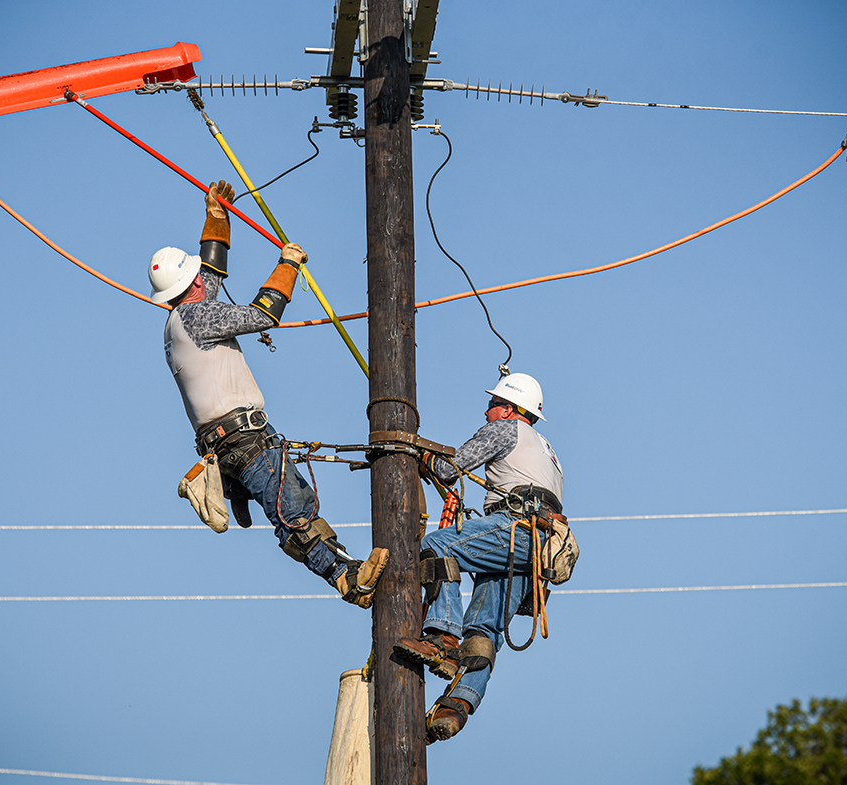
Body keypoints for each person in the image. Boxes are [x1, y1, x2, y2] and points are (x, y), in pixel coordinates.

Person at [148, 181, 388, 607]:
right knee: (292, 511)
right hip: (242, 441)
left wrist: (216, 217)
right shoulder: (196, 315)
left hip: (232, 443)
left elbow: (210, 274)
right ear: (188, 286)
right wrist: (288, 264)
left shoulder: (182, 319)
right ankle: (345, 578)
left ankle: (344, 568)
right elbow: (263, 314)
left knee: (297, 501)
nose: (204, 280)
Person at [394, 372, 574, 742]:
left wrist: (417, 454)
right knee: (484, 628)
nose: (487, 411)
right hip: (541, 548)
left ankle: (442, 636)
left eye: (492, 405)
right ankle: (457, 705)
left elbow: (448, 468)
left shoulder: (504, 430)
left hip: (516, 530)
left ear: (509, 409)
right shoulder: (549, 452)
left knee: (438, 546)